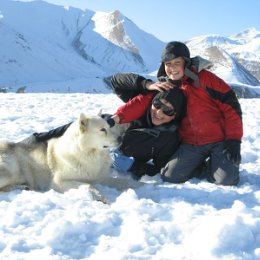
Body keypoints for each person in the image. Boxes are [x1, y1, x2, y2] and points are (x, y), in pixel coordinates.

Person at [110, 41, 243, 186]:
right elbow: (138, 98)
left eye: (176, 63)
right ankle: (208, 167)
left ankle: (222, 166)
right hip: (191, 144)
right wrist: (146, 86)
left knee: (226, 181)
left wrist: (234, 139)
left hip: (219, 140)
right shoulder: (165, 86)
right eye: (168, 64)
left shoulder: (205, 79)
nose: (172, 68)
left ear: (185, 62)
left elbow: (231, 106)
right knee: (170, 176)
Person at [21, 86, 186, 181]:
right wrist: (38, 138)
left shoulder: (169, 138)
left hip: (118, 157)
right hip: (105, 142)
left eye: (168, 111)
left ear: (175, 115)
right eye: (157, 103)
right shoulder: (137, 114)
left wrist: (132, 166)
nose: (159, 112)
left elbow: (159, 168)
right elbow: (119, 81)